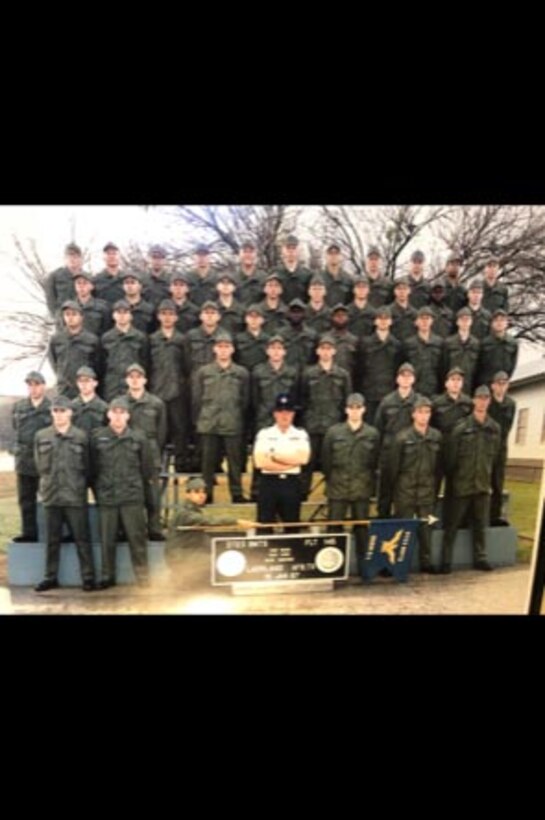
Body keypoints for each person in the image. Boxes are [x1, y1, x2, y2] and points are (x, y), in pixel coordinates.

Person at [90, 396, 155, 589]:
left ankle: (143, 577)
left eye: (122, 413)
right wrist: (100, 491)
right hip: (107, 497)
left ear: (128, 415)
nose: (118, 417)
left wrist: (137, 489)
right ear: (108, 414)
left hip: (131, 497)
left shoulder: (138, 438)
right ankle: (107, 576)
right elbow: (91, 470)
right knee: (107, 539)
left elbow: (146, 469)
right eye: (114, 412)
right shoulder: (97, 437)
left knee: (137, 539)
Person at [34, 395, 95, 592]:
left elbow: (88, 466)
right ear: (52, 413)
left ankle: (88, 577)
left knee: (82, 539)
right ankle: (50, 577)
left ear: (70, 412)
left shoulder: (81, 436)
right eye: (55, 411)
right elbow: (39, 466)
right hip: (51, 495)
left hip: (74, 496)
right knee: (52, 541)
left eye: (62, 411)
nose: (59, 415)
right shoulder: (42, 436)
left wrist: (78, 486)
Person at [439, 385, 501, 573]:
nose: (482, 402)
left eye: (486, 398)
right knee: (452, 525)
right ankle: (446, 561)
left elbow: (495, 456)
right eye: (479, 398)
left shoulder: (494, 428)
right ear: (473, 400)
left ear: (489, 401)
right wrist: (455, 479)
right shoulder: (461, 428)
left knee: (480, 525)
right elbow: (450, 458)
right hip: (462, 484)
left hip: (482, 483)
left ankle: (480, 558)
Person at [192, 330, 250, 503]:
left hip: (232, 422)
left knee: (234, 462)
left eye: (227, 346)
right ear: (214, 349)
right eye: (220, 346)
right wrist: (200, 420)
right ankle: (207, 494)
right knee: (207, 463)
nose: (223, 350)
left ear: (232, 349)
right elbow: (196, 399)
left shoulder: (241, 373)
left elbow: (245, 401)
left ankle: (237, 493)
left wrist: (237, 416)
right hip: (209, 422)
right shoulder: (204, 372)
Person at [321, 393, 379, 563]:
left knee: (362, 529)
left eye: (358, 408)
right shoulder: (334, 432)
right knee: (334, 528)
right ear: (346, 410)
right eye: (351, 408)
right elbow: (326, 460)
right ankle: (330, 565)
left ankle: (364, 567)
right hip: (338, 487)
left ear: (364, 410)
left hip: (361, 487)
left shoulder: (372, 433)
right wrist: (333, 479)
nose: (355, 411)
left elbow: (374, 461)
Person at [388, 396, 443, 573]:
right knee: (401, 528)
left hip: (426, 489)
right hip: (405, 489)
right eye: (420, 412)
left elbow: (440, 467)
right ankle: (398, 562)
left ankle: (426, 562)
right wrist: (394, 491)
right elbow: (393, 467)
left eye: (427, 412)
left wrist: (435, 488)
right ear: (413, 414)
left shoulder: (436, 436)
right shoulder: (402, 437)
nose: (424, 416)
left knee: (426, 527)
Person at [166, 476, 254, 570]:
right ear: (187, 494)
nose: (202, 495)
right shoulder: (185, 513)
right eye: (197, 492)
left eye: (203, 492)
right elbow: (209, 521)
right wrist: (236, 521)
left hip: (188, 552)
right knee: (220, 561)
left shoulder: (191, 510)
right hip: (181, 555)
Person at [253, 393, 310, 529]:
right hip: (269, 483)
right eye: (281, 412)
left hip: (291, 483)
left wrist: (276, 457)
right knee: (264, 525)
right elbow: (260, 462)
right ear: (275, 414)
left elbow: (303, 459)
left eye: (288, 412)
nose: (284, 415)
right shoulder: (264, 434)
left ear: (293, 414)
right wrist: (291, 463)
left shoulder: (300, 434)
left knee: (292, 525)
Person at [125, 363, 167, 540]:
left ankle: (154, 529)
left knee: (152, 496)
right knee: (129, 495)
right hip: (127, 454)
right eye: (131, 377)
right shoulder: (119, 403)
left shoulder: (156, 403)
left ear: (145, 380)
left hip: (150, 453)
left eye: (138, 377)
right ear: (127, 380)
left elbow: (163, 430)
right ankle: (130, 530)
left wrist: (154, 449)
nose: (135, 381)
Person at [12, 372, 52, 542]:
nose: (33, 388)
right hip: (25, 460)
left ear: (44, 386)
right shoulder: (19, 407)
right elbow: (16, 428)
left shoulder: (51, 407)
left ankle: (52, 533)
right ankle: (29, 534)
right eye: (30, 385)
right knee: (26, 500)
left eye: (36, 384)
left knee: (51, 501)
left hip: (46, 460)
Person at [48, 300, 100, 398]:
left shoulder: (91, 340)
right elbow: (53, 361)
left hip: (85, 388)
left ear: (81, 317)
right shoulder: (56, 339)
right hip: (64, 388)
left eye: (74, 314)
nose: (70, 318)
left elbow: (98, 365)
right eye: (67, 314)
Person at [488, 371, 516, 525]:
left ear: (507, 385)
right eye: (498, 383)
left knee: (498, 484)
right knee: (482, 484)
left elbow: (508, 426)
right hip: (486, 447)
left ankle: (495, 516)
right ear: (492, 386)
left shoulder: (511, 404)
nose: (501, 386)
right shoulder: (487, 403)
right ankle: (477, 516)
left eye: (504, 383)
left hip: (501, 447)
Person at [44, 242, 85, 316]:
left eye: (75, 256)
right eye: (69, 256)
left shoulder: (87, 277)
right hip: (62, 318)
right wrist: (57, 318)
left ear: (80, 259)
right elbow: (50, 301)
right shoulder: (54, 277)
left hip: (82, 318)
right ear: (65, 258)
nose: (72, 259)